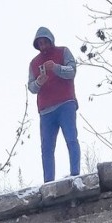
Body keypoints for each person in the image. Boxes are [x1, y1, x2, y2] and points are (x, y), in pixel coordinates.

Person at [27, 26, 81, 185]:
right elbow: (31, 87)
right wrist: (38, 82)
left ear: (51, 40)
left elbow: (72, 71)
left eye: (45, 42)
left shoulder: (63, 52)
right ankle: (48, 182)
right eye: (40, 43)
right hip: (46, 110)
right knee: (46, 148)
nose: (43, 46)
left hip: (65, 103)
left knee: (71, 138)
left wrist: (56, 68)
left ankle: (75, 174)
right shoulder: (34, 63)